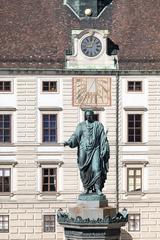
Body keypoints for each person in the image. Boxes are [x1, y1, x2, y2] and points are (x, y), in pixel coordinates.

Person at [64, 110, 110, 196]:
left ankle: (97, 188)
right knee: (83, 169)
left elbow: (103, 138)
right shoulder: (81, 126)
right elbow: (75, 136)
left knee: (96, 168)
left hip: (95, 149)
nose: (88, 117)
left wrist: (104, 148)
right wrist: (69, 142)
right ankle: (86, 188)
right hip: (83, 150)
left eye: (90, 116)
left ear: (93, 116)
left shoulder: (98, 125)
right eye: (87, 116)